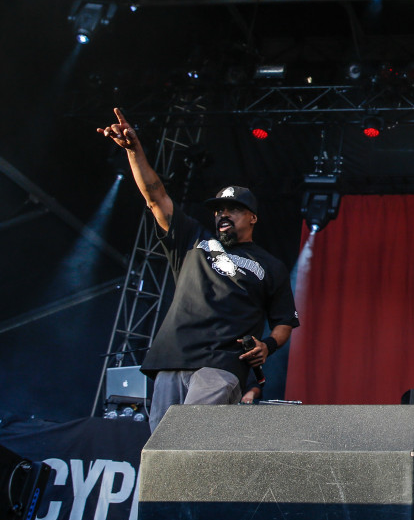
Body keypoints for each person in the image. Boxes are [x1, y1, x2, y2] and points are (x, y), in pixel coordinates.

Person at [98, 108, 299, 433]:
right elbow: (155, 195)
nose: (224, 214)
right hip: (172, 356)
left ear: (252, 218)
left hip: (222, 362)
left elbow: (285, 322)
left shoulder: (269, 265)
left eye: (234, 209)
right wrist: (134, 151)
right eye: (219, 209)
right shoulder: (192, 239)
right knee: (163, 447)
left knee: (191, 437)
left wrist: (268, 346)